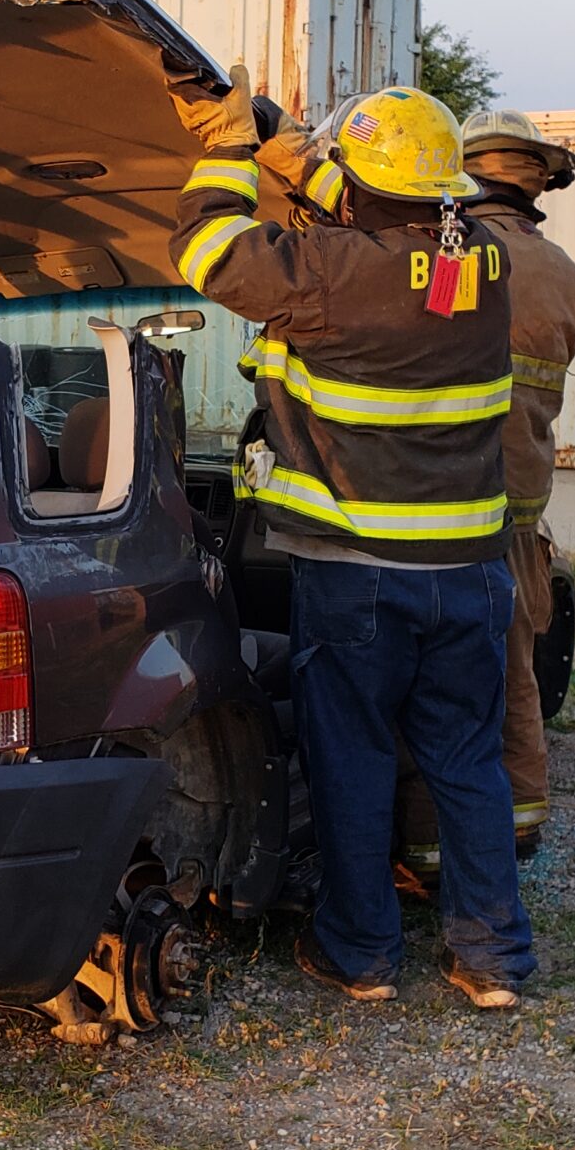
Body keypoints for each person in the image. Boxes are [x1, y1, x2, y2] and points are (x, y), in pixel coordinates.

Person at [171, 70, 531, 1010]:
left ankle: (361, 952)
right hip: (472, 574)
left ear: (363, 189)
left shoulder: (332, 274)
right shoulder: (481, 262)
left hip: (359, 576)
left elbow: (209, 251)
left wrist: (224, 151)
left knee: (356, 761)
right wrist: (276, 134)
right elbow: (377, 211)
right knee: (465, 762)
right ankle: (493, 958)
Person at [460, 108, 575, 862]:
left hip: (442, 508)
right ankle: (521, 825)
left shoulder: (452, 259)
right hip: (519, 517)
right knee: (514, 676)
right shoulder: (567, 277)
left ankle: (427, 848)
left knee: (440, 684)